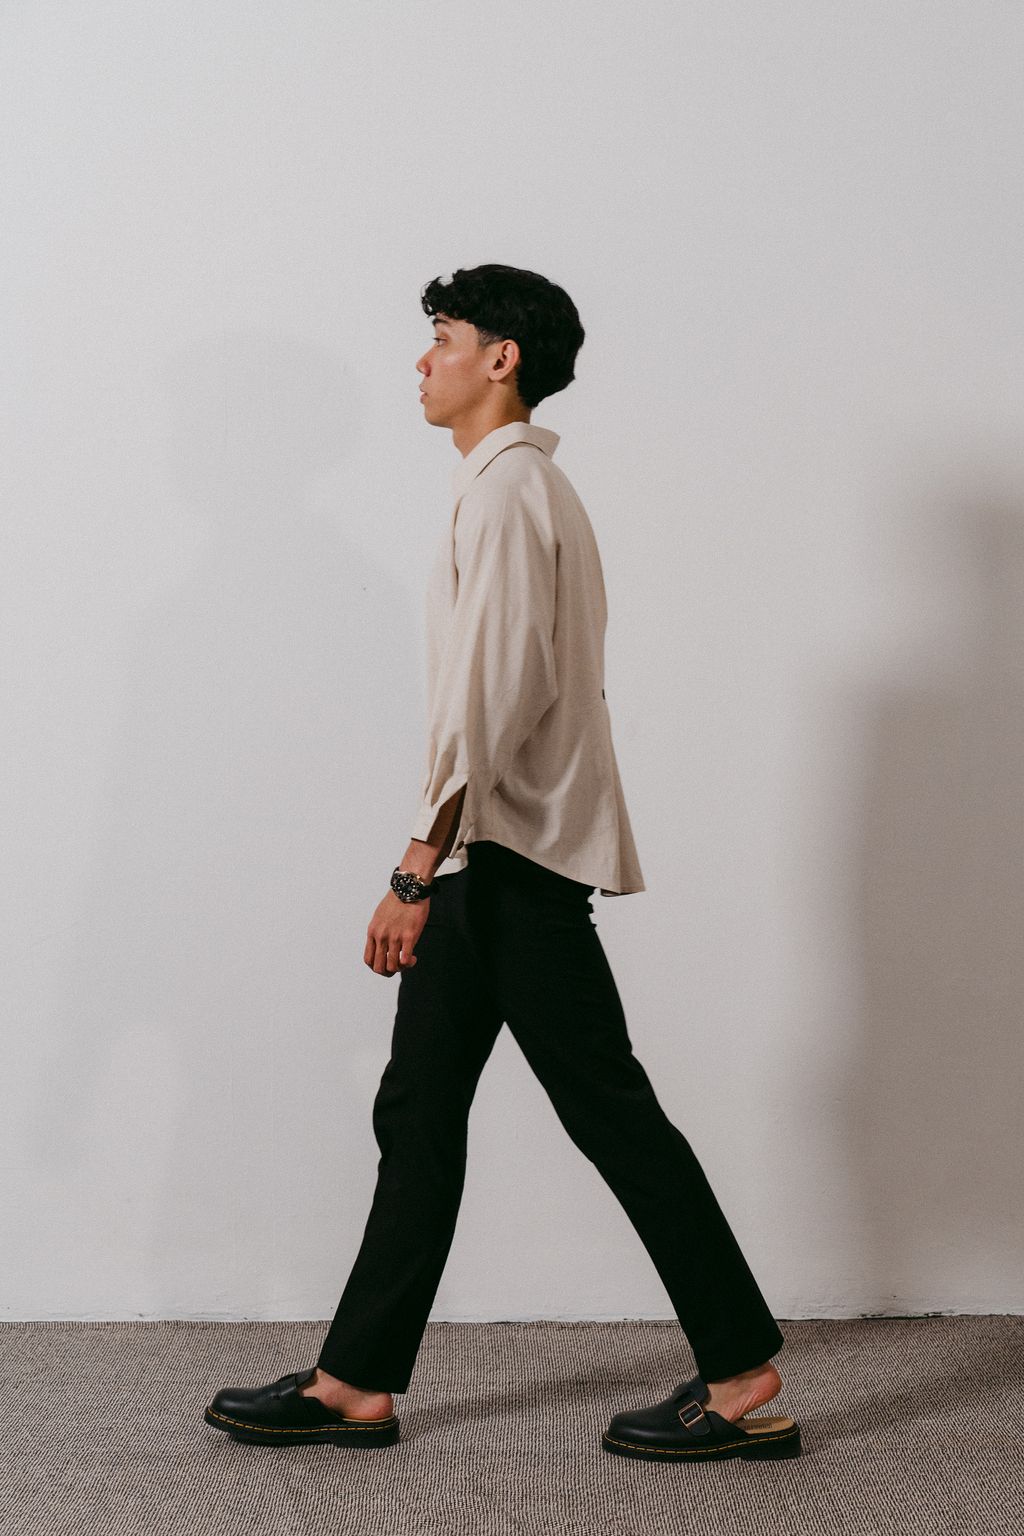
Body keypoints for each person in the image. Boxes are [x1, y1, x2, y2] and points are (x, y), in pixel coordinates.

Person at [204, 264, 800, 1464]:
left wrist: (415, 864)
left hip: (505, 860)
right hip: (491, 857)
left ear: (501, 358)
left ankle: (743, 1380)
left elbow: (496, 693)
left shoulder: (512, 490)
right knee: (420, 1112)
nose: (421, 361)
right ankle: (355, 1382)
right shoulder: (501, 487)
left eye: (442, 337)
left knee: (609, 1113)